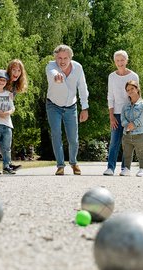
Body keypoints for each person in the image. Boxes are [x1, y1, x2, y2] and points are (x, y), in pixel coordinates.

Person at [45, 44, 89, 176]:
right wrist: (57, 76)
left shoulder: (78, 68)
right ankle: (60, 165)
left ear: (70, 58)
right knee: (56, 134)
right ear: (55, 58)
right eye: (59, 58)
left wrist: (85, 107)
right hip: (53, 105)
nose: (62, 61)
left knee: (73, 138)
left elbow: (82, 87)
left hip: (71, 106)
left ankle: (74, 162)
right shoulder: (51, 66)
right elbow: (53, 73)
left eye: (65, 58)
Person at [103, 50, 139, 176]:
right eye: (117, 60)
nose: (120, 62)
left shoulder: (133, 76)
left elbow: (136, 95)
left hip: (129, 113)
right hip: (116, 113)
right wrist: (111, 116)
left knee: (128, 142)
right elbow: (110, 97)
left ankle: (125, 168)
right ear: (115, 62)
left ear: (126, 61)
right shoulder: (111, 76)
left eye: (122, 60)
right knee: (114, 142)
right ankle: (110, 168)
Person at [120, 80, 143, 177]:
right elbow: (122, 118)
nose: (130, 91)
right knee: (127, 154)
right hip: (127, 135)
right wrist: (127, 125)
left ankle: (142, 169)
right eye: (128, 90)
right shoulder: (125, 106)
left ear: (137, 89)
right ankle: (127, 169)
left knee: (141, 154)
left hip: (140, 135)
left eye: (132, 88)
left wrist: (134, 124)